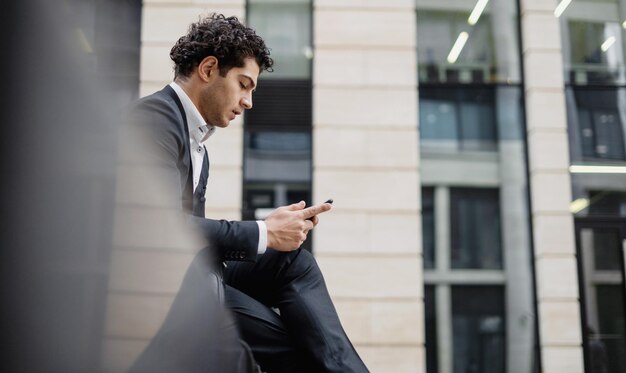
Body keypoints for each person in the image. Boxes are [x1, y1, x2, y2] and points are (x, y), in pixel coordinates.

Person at [124, 14, 369, 373]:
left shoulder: (198, 144)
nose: (249, 101)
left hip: (201, 275)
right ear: (208, 69)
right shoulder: (154, 119)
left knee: (293, 261)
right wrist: (264, 232)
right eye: (244, 84)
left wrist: (271, 233)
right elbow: (159, 227)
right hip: (167, 293)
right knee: (296, 350)